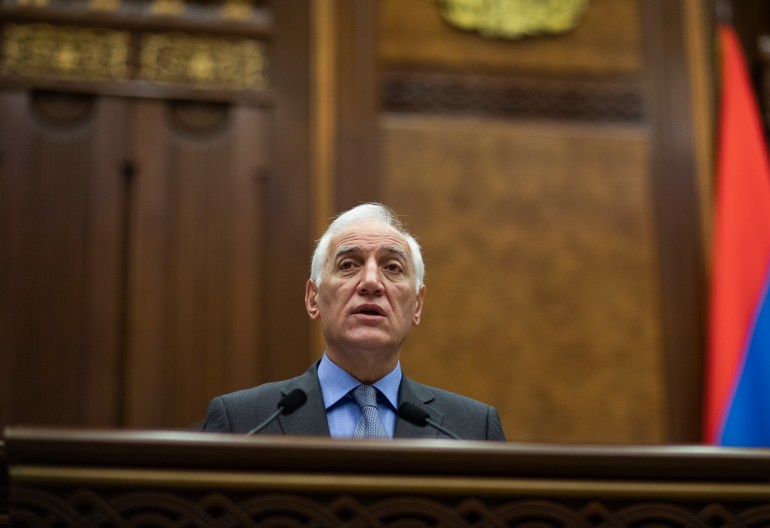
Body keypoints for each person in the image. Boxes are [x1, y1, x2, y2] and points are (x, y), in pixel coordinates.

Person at [203, 203, 505, 440]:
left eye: (392, 267)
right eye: (348, 265)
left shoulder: (472, 429)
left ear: (417, 305)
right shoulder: (242, 421)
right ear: (313, 298)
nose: (371, 282)